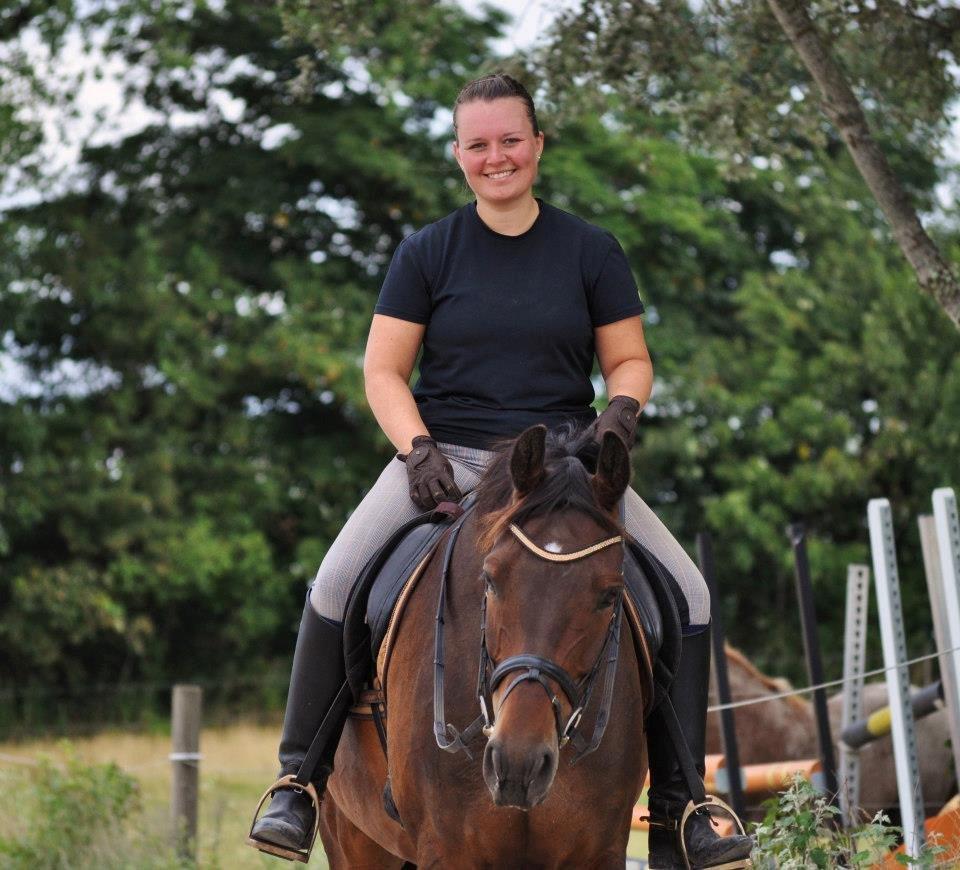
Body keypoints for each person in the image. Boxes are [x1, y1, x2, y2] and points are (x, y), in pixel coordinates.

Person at [248, 73, 752, 870]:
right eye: (478, 145)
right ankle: (297, 784)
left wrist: (620, 412)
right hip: (449, 460)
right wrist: (416, 451)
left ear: (538, 145)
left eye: (510, 140)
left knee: (686, 591)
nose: (496, 157)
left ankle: (682, 803)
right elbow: (383, 370)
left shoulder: (591, 249)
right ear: (458, 155)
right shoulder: (426, 252)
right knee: (337, 580)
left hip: (567, 469)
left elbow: (628, 358)